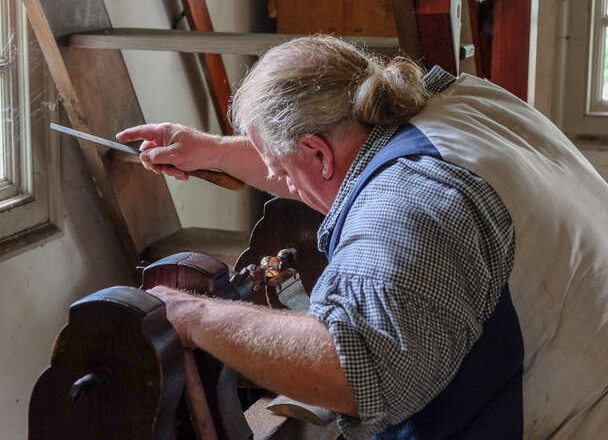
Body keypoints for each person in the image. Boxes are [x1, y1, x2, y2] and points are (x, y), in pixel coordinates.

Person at [116, 36, 608, 439]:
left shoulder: (409, 202)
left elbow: (357, 369)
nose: (275, 177)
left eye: (275, 165)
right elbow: (317, 171)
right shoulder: (459, 105)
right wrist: (213, 152)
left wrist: (192, 314)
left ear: (316, 152)